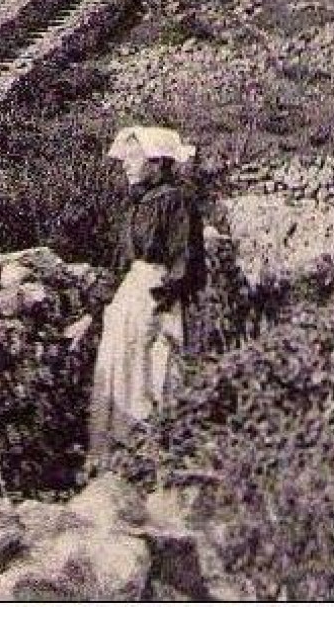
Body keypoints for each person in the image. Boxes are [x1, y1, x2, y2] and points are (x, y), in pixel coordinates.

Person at [84, 125, 206, 457]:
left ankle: (147, 452)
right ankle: (115, 453)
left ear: (156, 161)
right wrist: (95, 310)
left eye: (134, 156)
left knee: (151, 368)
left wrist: (165, 298)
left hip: (156, 295)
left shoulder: (176, 201)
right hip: (130, 296)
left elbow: (185, 256)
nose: (125, 163)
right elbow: (120, 262)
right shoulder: (136, 204)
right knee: (119, 365)